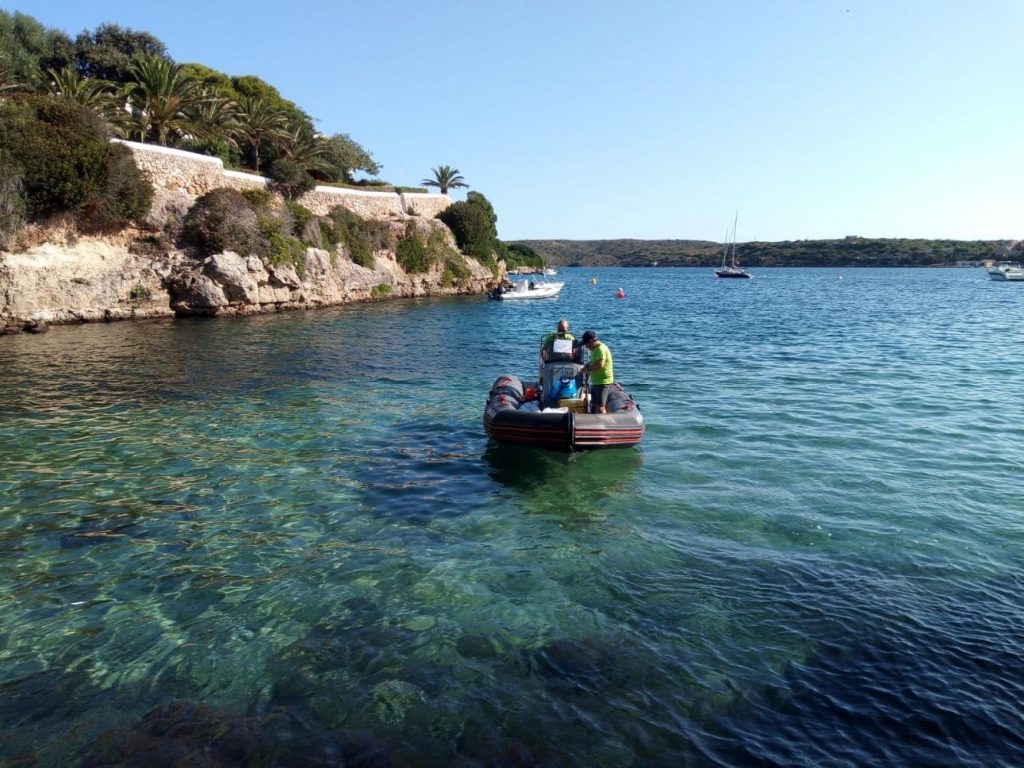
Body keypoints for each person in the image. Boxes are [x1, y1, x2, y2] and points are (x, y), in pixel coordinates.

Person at [580, 330, 614, 414]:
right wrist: (586, 367)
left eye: (586, 344)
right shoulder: (595, 350)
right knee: (595, 405)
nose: (586, 347)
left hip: (603, 382)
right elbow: (593, 362)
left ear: (591, 341)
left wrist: (587, 369)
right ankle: (597, 423)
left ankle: (605, 425)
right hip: (596, 382)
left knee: (601, 407)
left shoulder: (600, 349)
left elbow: (600, 364)